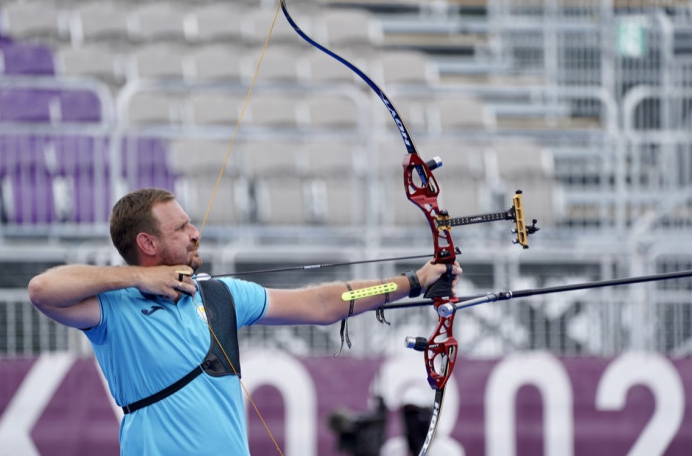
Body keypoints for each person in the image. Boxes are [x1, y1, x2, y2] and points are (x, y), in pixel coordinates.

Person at [28, 188, 462, 456]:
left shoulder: (220, 295)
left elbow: (325, 303)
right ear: (148, 243)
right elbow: (42, 290)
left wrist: (412, 281)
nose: (195, 232)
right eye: (181, 228)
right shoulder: (113, 307)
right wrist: (141, 277)